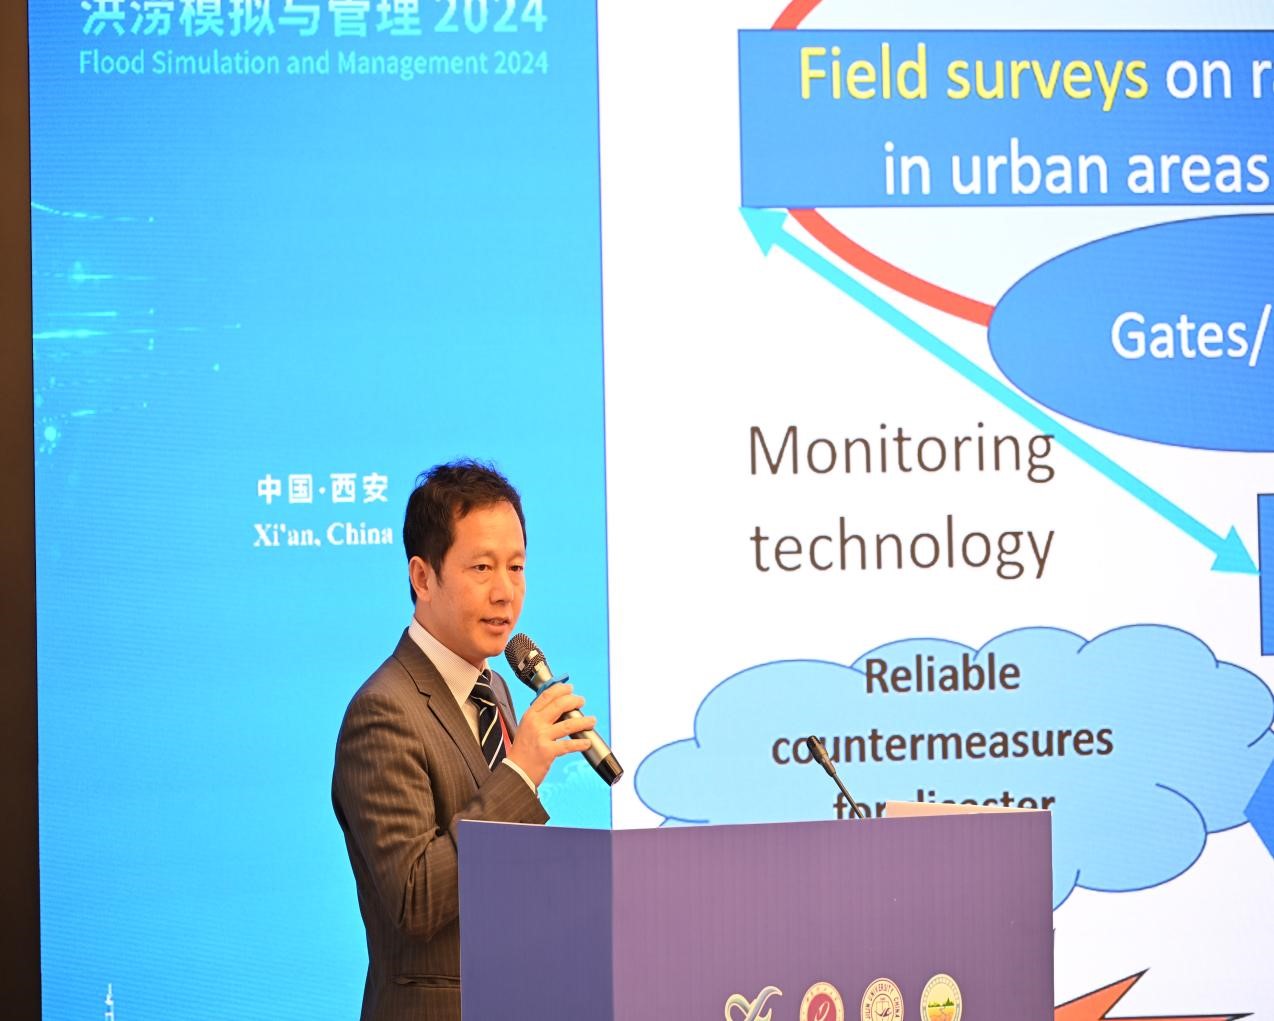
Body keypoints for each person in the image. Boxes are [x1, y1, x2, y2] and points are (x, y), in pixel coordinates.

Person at [332, 459, 595, 1021]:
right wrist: (521, 774)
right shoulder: (383, 711)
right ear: (423, 578)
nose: (505, 592)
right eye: (482, 567)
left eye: (516, 567)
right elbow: (417, 898)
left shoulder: (495, 689)